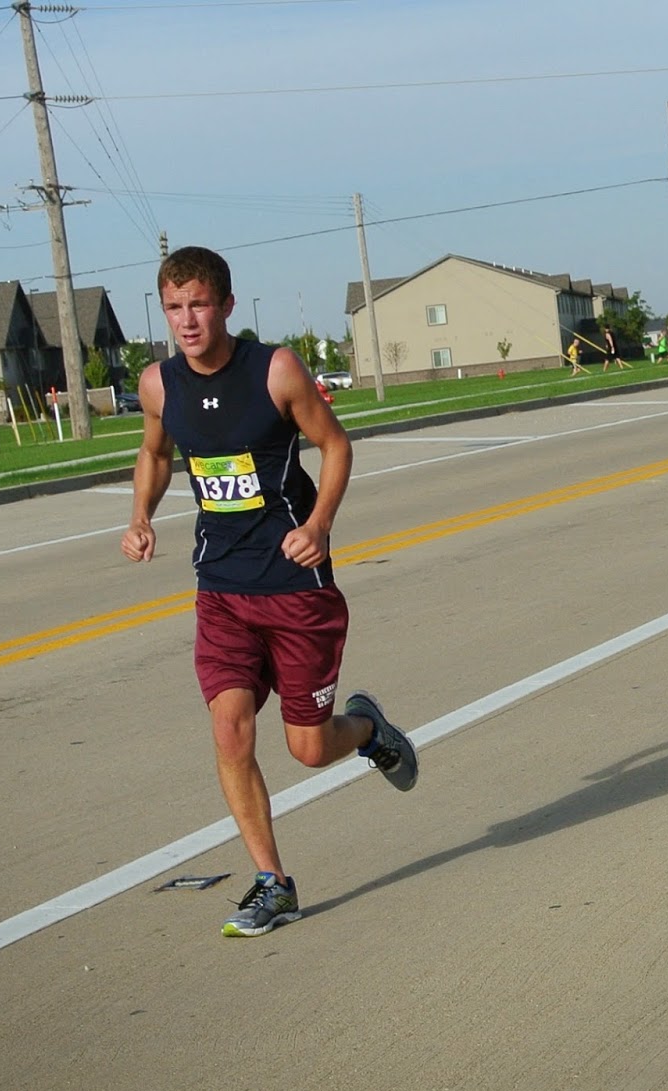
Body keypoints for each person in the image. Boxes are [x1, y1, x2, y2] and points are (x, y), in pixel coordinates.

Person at [121, 246, 418, 938]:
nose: (187, 320)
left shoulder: (275, 370)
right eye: (173, 307)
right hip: (221, 587)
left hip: (293, 587)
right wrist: (140, 515)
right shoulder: (158, 384)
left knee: (309, 750)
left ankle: (369, 729)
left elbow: (336, 445)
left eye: (199, 304)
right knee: (229, 728)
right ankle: (272, 883)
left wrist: (319, 525)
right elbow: (155, 452)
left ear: (226, 305)